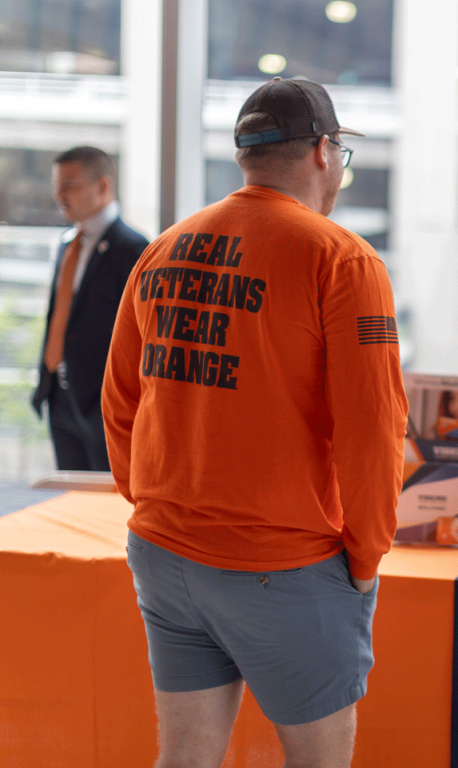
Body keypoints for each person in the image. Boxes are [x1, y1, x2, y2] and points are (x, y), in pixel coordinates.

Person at [101, 77, 407, 768]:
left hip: (167, 550)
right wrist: (366, 554)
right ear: (325, 153)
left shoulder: (165, 248)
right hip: (280, 561)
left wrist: (157, 502)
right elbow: (374, 427)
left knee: (184, 759)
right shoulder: (342, 258)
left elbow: (121, 400)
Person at [31, 146, 148, 470]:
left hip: (104, 404)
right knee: (71, 495)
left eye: (70, 185)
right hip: (60, 397)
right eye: (57, 186)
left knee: (105, 502)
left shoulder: (134, 249)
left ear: (103, 187)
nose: (60, 195)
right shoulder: (69, 244)